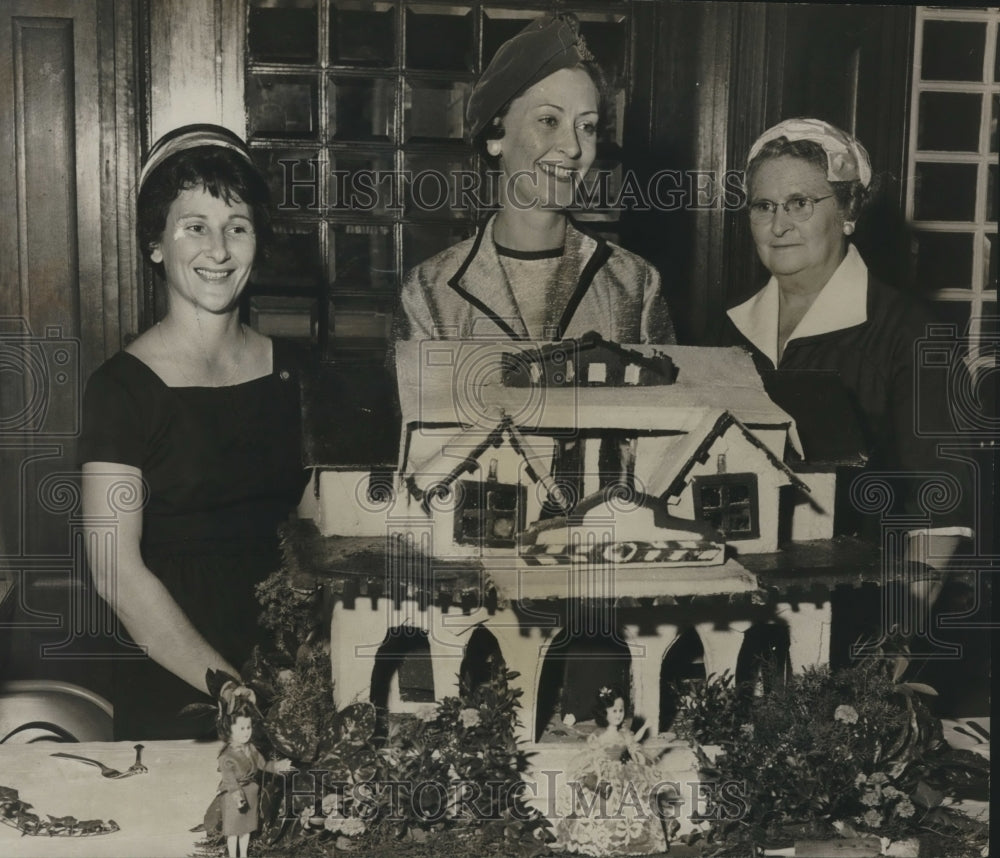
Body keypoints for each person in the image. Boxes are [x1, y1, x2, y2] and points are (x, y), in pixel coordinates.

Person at [80, 124, 308, 740]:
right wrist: (229, 688)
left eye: (238, 226)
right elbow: (114, 571)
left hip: (297, 669)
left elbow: (330, 528)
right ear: (156, 244)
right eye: (194, 227)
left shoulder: (297, 373)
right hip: (175, 675)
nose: (220, 249)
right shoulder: (119, 391)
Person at [717, 118, 974, 657]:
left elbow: (940, 509)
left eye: (800, 203)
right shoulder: (725, 331)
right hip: (736, 623)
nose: (779, 224)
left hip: (863, 624)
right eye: (763, 207)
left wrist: (891, 648)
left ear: (849, 213)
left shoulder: (910, 332)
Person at [396, 13, 674, 345]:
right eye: (548, 120)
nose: (573, 147)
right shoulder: (428, 291)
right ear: (496, 135)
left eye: (586, 126)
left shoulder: (635, 283)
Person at [554, 686, 678, 856]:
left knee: (634, 802)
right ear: (604, 713)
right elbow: (592, 754)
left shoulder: (624, 733)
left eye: (621, 710)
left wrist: (643, 737)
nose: (618, 714)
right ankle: (601, 840)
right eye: (614, 711)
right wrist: (595, 770)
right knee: (602, 805)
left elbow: (634, 743)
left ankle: (631, 841)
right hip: (604, 771)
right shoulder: (599, 734)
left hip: (624, 770)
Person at [204, 689, 294, 857]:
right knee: (232, 831)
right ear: (229, 729)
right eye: (241, 728)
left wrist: (278, 766)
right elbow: (230, 781)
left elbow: (263, 764)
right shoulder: (226, 757)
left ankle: (243, 854)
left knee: (246, 829)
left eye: (248, 727)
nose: (246, 732)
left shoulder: (251, 748)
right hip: (233, 797)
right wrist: (238, 797)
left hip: (251, 793)